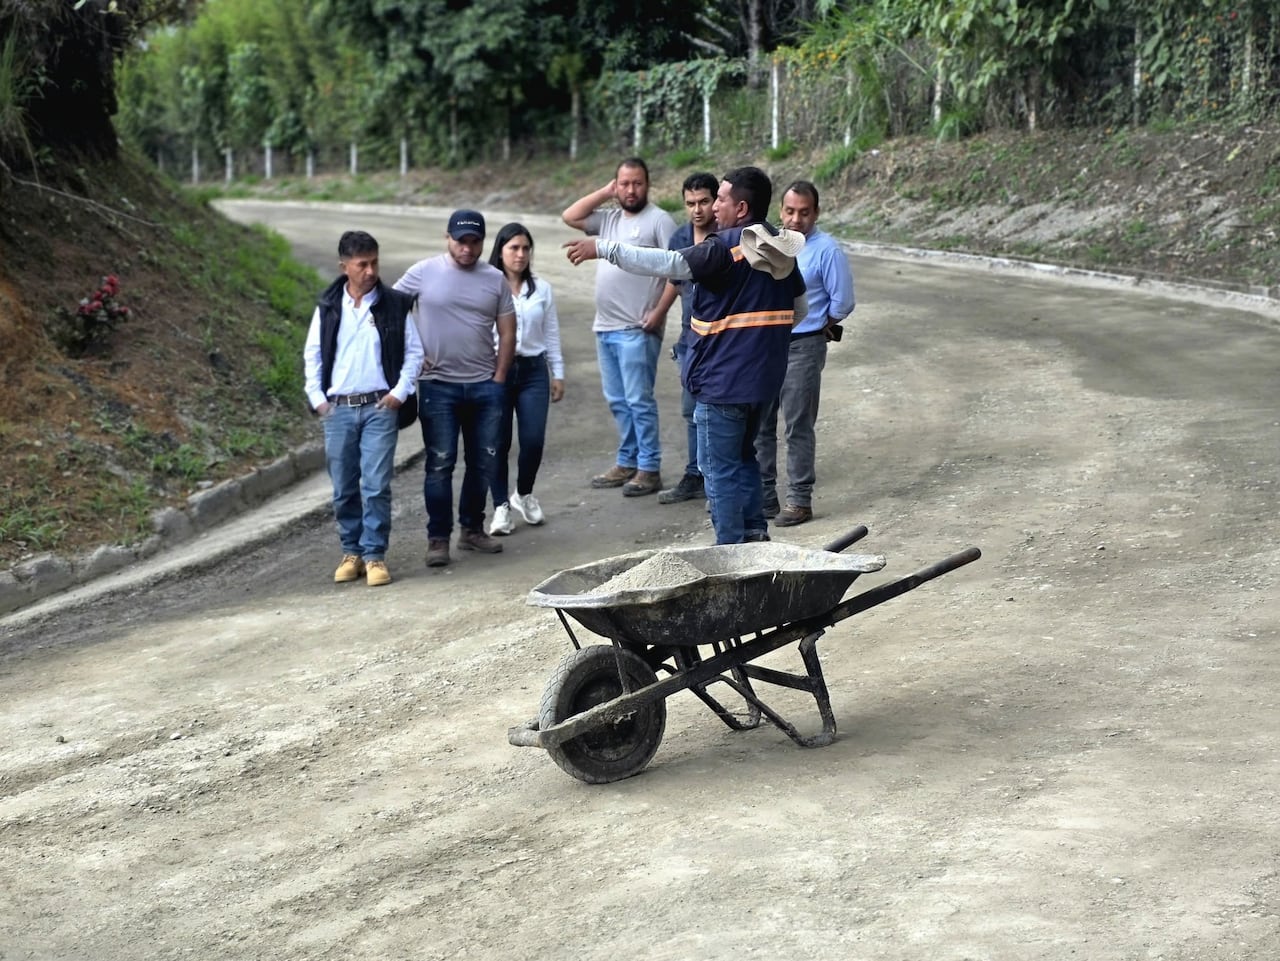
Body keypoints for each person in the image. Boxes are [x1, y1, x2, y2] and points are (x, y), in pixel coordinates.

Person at [564, 166, 807, 544]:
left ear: (741, 208)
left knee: (719, 469)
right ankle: (755, 539)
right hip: (763, 383)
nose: (714, 208)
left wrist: (603, 247)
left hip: (722, 383)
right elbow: (800, 311)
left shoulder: (722, 247)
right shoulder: (780, 251)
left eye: (721, 200)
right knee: (745, 458)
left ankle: (730, 550)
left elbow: (668, 265)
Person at [393, 210, 516, 568]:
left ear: (482, 242)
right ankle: (438, 538)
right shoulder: (422, 272)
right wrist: (412, 356)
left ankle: (472, 529)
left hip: (484, 385)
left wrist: (500, 376)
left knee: (483, 461)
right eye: (460, 240)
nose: (467, 247)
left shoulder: (494, 279)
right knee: (440, 462)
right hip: (437, 386)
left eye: (474, 241)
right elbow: (387, 311)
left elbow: (508, 330)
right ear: (447, 238)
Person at [303, 230, 424, 587]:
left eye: (374, 262)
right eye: (362, 264)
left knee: (375, 484)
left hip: (378, 408)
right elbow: (313, 353)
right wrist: (318, 399)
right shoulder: (328, 307)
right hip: (338, 409)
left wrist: (399, 393)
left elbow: (414, 352)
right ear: (345, 267)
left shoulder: (394, 304)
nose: (371, 271)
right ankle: (350, 552)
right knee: (343, 485)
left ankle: (374, 555)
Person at [562, 156, 676, 497]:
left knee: (638, 400)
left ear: (648, 184)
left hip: (638, 328)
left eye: (637, 183)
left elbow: (677, 270)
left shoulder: (660, 221)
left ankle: (649, 468)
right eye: (623, 184)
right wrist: (605, 192)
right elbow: (570, 216)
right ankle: (627, 460)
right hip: (605, 327)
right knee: (617, 400)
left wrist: (658, 313)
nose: (630, 190)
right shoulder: (609, 219)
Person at [755, 180, 856, 527]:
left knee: (797, 423)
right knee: (761, 422)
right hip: (767, 343)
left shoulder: (826, 250)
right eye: (790, 211)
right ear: (779, 211)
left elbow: (843, 301)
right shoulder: (768, 243)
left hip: (804, 344)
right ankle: (764, 497)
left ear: (816, 213)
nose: (796, 219)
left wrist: (818, 324)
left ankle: (799, 500)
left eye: (804, 212)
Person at [486, 222, 565, 536]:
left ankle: (523, 493)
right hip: (496, 372)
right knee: (497, 441)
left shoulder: (541, 289)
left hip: (533, 371)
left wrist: (557, 373)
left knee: (533, 439)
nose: (520, 255)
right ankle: (501, 507)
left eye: (525, 248)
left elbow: (551, 334)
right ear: (501, 251)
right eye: (513, 248)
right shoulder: (488, 287)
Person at [648, 171, 719, 505]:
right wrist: (656, 314)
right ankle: (695, 475)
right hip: (690, 337)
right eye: (690, 203)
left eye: (704, 201)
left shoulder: (727, 235)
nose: (697, 209)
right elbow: (675, 282)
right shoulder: (680, 237)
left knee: (720, 413)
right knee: (691, 411)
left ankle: (718, 481)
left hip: (723, 339)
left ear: (716, 201)